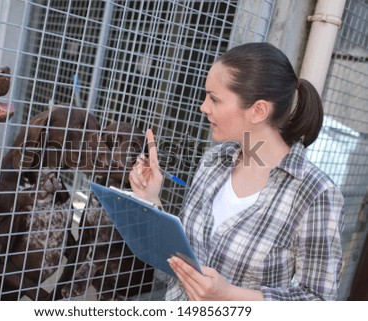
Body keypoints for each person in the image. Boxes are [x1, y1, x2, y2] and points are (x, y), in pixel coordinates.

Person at [129, 42, 344, 301]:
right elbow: (183, 255)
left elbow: (319, 302)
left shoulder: (316, 193)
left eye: (214, 98)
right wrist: (150, 200)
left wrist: (230, 295)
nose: (203, 107)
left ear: (258, 111)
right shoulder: (214, 160)